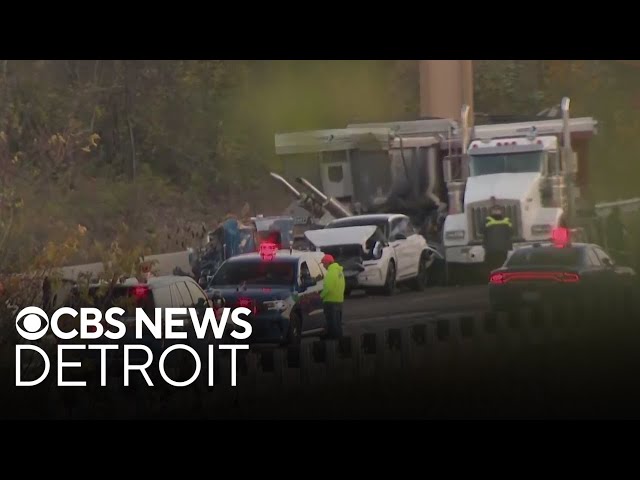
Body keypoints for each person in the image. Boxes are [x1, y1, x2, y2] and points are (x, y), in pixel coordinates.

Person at [482, 198, 514, 272]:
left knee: (492, 267)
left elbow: (481, 231)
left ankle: (494, 280)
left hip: (491, 249)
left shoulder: (487, 220)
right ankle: (500, 280)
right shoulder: (507, 221)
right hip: (503, 249)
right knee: (502, 266)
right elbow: (512, 232)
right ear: (501, 212)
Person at [320, 254, 345, 339]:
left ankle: (333, 345)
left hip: (330, 302)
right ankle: (340, 343)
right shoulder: (339, 271)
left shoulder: (331, 272)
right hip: (339, 301)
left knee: (332, 325)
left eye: (323, 264)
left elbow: (328, 288)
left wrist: (321, 296)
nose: (323, 266)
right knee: (337, 324)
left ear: (327, 263)